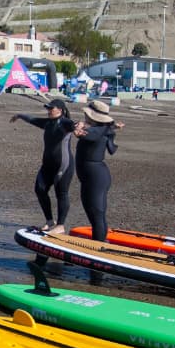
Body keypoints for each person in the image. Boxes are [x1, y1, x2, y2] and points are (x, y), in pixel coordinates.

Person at [10, 98, 75, 233]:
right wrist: (19, 115)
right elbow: (32, 119)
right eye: (48, 108)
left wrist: (79, 127)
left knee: (61, 194)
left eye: (51, 108)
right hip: (47, 165)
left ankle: (61, 225)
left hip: (63, 165)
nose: (49, 110)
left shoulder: (65, 123)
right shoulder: (47, 123)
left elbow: (74, 125)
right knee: (40, 189)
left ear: (60, 110)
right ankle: (50, 222)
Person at [72, 99, 124, 243]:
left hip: (96, 177)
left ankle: (99, 245)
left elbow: (87, 134)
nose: (85, 117)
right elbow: (107, 129)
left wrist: (79, 131)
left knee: (97, 213)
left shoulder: (96, 130)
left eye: (87, 115)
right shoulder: (104, 129)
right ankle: (99, 241)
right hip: (90, 176)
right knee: (92, 212)